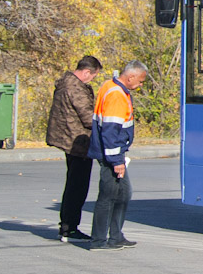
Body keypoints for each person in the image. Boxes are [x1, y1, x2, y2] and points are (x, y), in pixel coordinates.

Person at [87, 61, 148, 251]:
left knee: (123, 193)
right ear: (130, 77)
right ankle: (99, 240)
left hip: (114, 154)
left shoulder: (110, 86)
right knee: (108, 196)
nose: (141, 85)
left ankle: (115, 236)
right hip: (111, 155)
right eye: (140, 81)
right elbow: (110, 132)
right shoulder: (117, 95)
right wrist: (116, 161)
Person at [46, 55, 101, 242]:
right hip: (78, 142)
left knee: (73, 184)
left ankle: (68, 226)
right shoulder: (76, 88)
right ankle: (69, 228)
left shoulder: (65, 83)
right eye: (92, 76)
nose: (91, 80)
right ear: (86, 72)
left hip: (68, 138)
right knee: (77, 186)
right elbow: (87, 117)